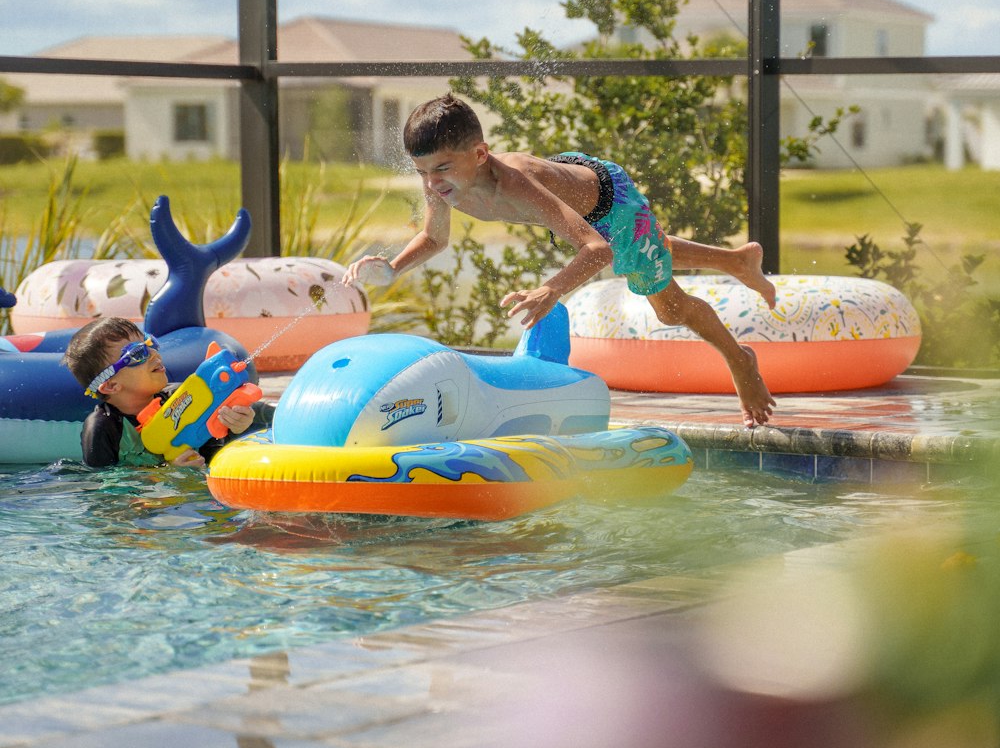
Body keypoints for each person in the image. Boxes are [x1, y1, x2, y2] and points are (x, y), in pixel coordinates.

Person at [347, 93, 776, 427]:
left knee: (669, 307)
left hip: (612, 202)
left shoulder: (514, 185)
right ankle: (738, 262)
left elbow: (598, 248)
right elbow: (432, 237)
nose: (431, 182)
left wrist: (552, 288)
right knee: (643, 250)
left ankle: (741, 360)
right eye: (421, 171)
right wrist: (393, 267)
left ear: (480, 155)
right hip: (576, 188)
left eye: (440, 168)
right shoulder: (443, 184)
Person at [65, 316, 273, 469]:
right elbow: (105, 491)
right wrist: (168, 473)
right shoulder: (103, 428)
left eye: (149, 343)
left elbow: (214, 450)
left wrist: (238, 426)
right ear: (110, 385)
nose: (154, 353)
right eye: (138, 353)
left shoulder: (179, 397)